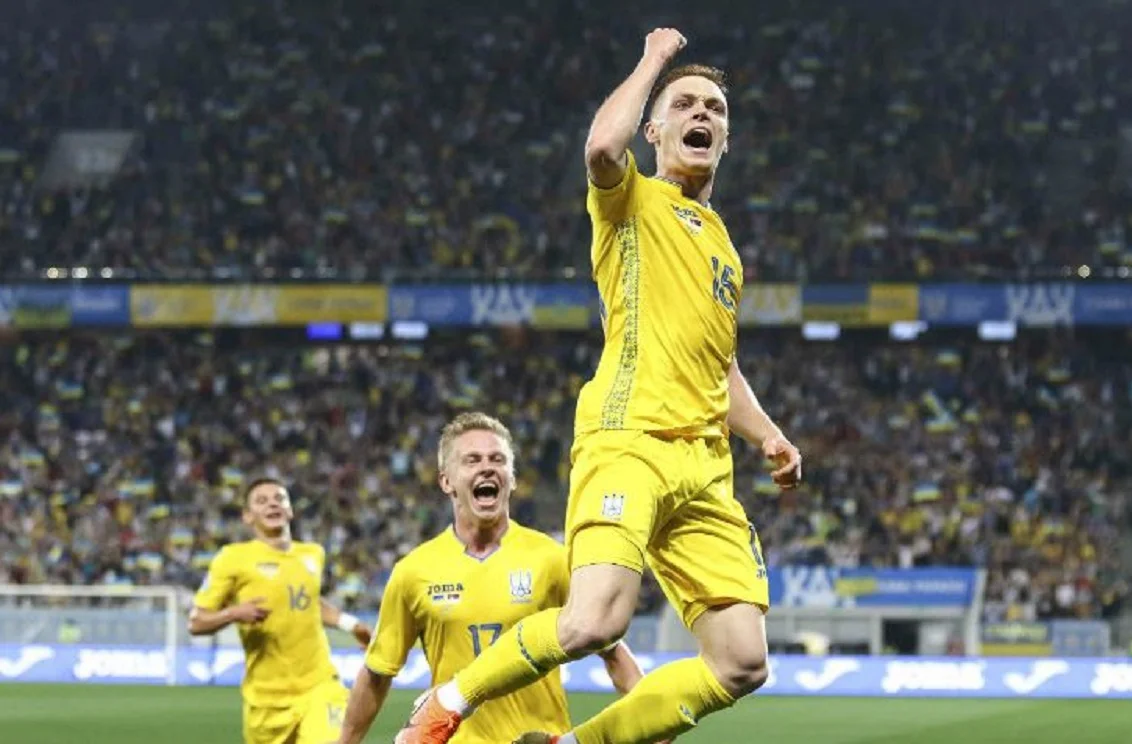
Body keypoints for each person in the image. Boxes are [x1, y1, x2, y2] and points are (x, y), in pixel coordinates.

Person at [399, 26, 802, 744]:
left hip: (706, 465)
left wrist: (768, 435)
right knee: (594, 621)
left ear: (727, 140)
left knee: (742, 662)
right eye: (684, 105)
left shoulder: (725, 248)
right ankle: (448, 701)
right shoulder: (633, 200)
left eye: (714, 108)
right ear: (655, 129)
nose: (701, 114)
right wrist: (653, 60)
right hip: (630, 439)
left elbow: (722, 366)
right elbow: (599, 151)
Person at [337, 412, 648, 744]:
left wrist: (651, 718)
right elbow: (377, 674)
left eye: (497, 459)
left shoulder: (552, 559)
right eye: (472, 460)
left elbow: (612, 652)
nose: (487, 467)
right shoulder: (413, 572)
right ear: (446, 481)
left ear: (511, 478)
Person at [190, 477, 373, 744]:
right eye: (261, 501)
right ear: (247, 516)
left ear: (290, 510)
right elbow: (197, 621)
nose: (272, 504)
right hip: (266, 700)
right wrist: (234, 613)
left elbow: (308, 601)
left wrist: (350, 624)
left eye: (279, 498)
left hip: (319, 684)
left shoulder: (312, 554)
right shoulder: (232, 558)